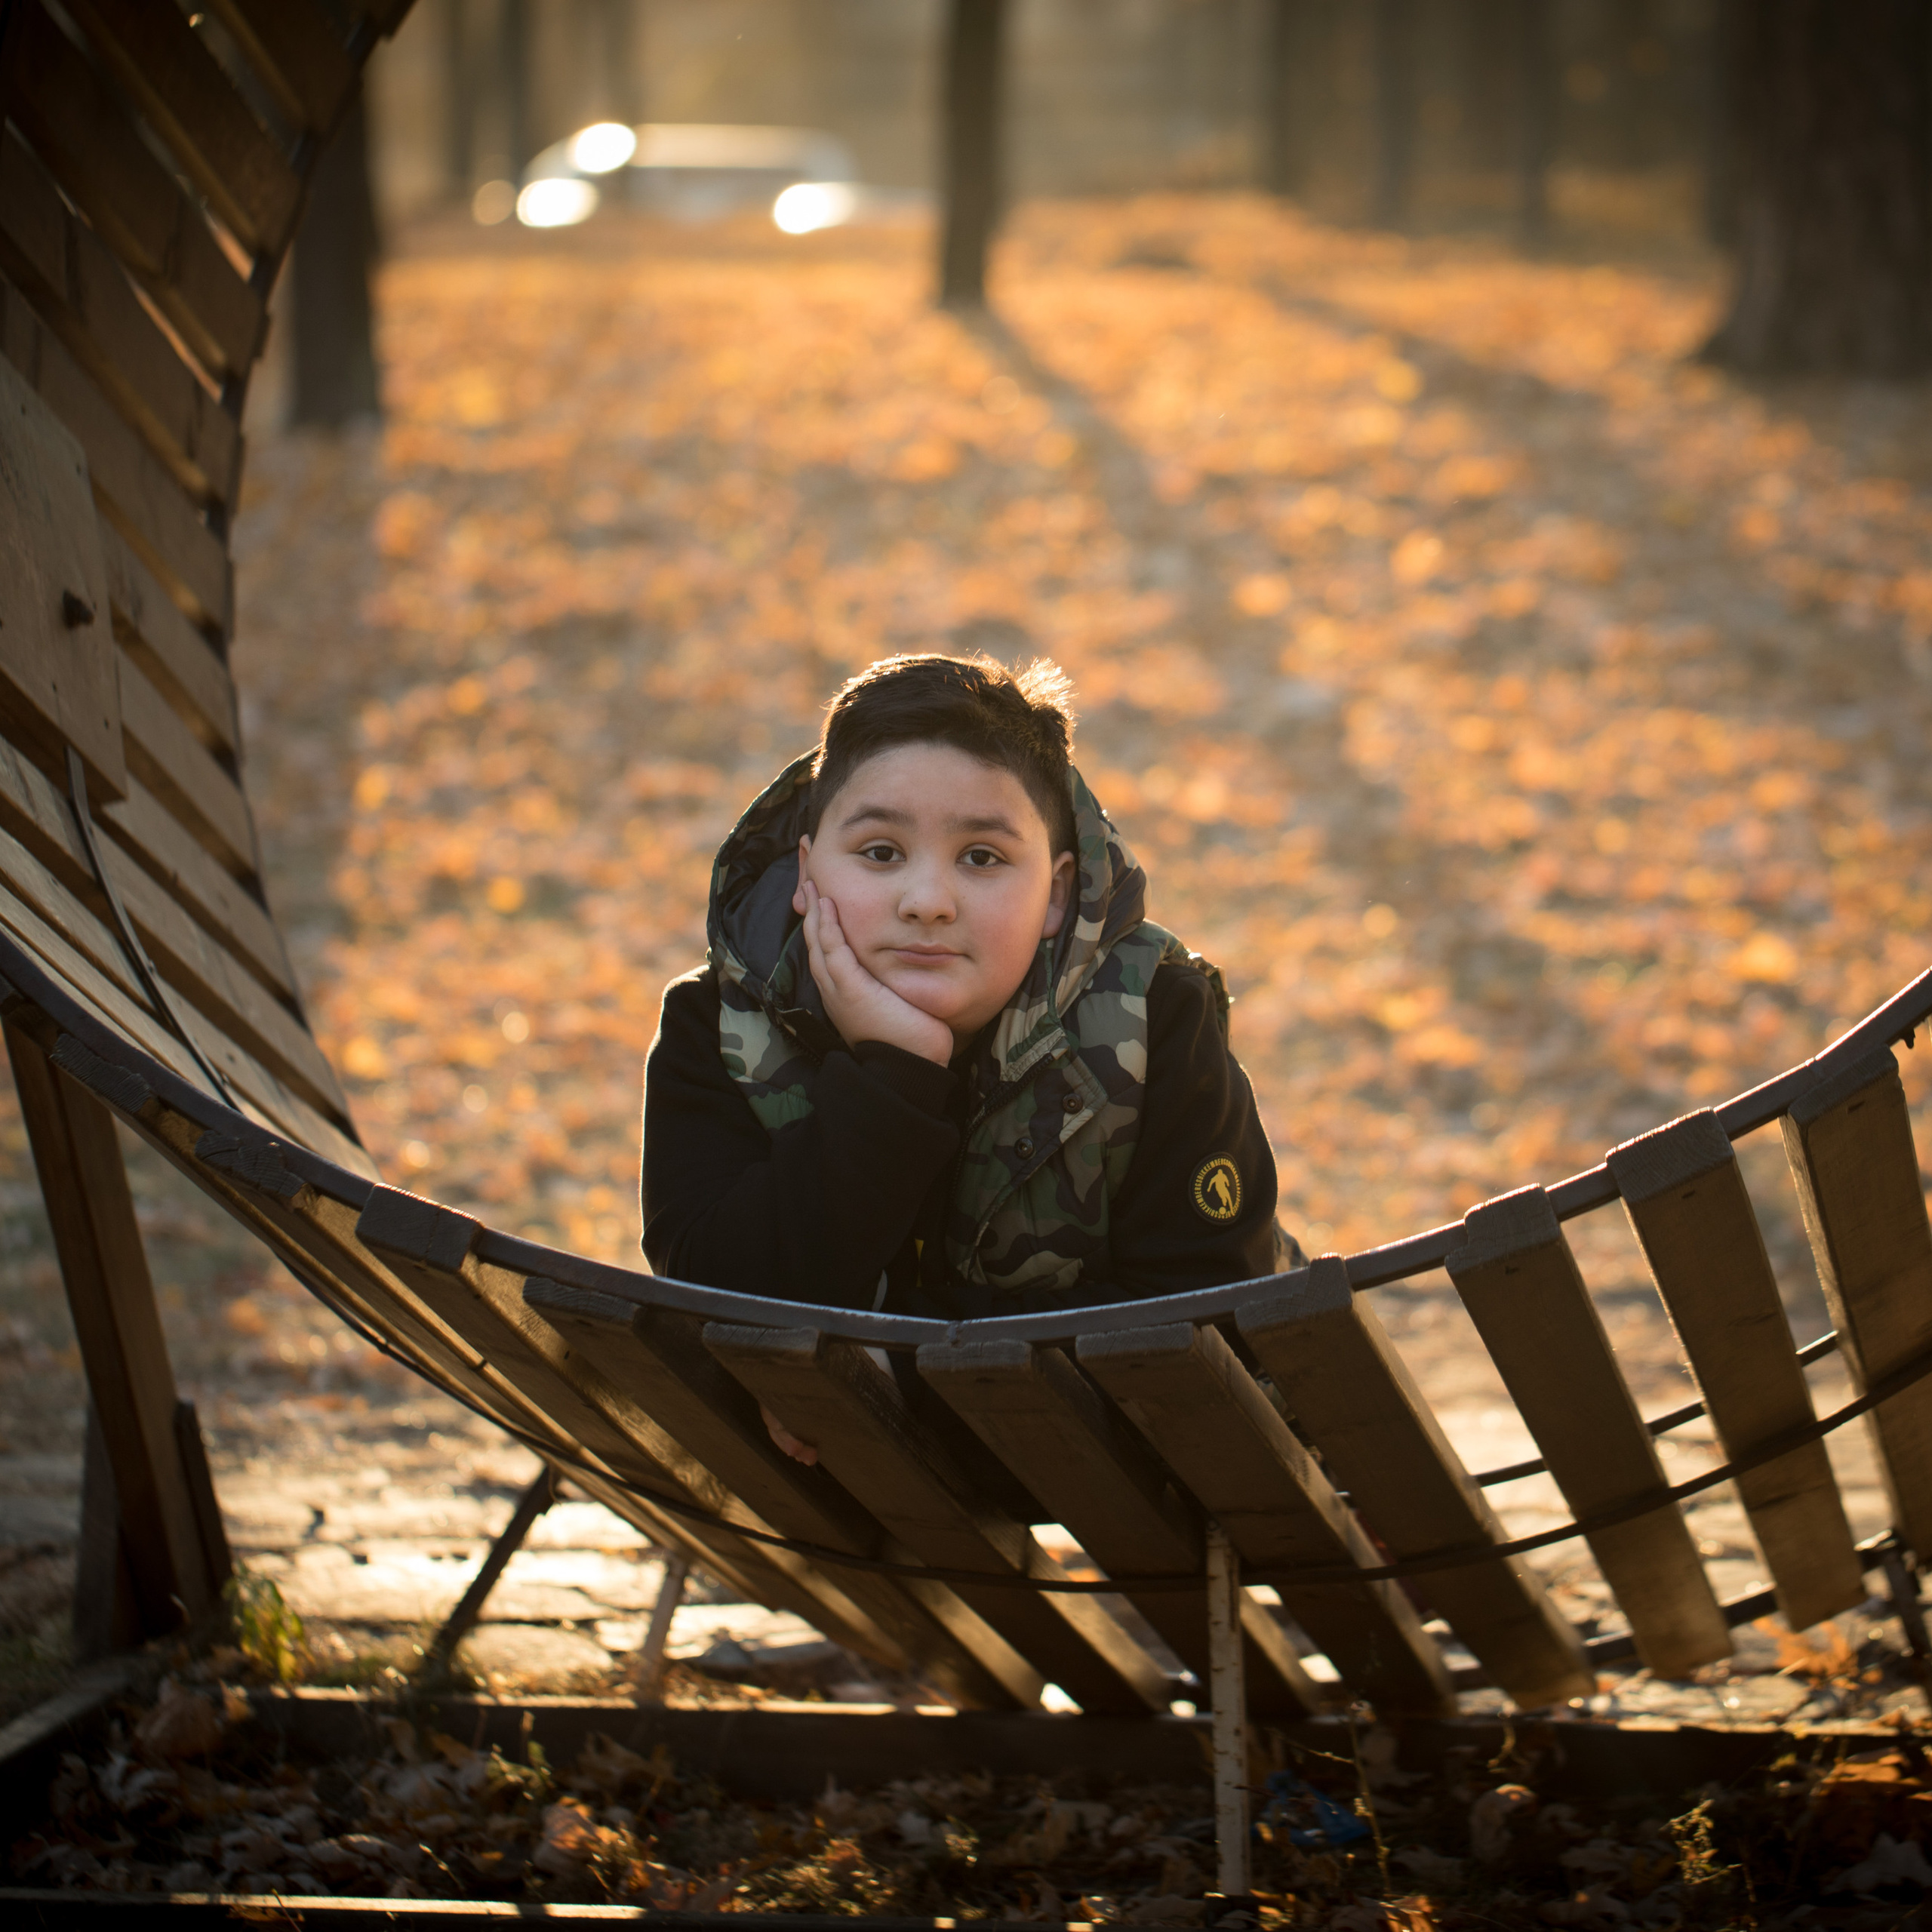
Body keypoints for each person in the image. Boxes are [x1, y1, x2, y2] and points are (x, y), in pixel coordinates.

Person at [641, 652, 1295, 1398]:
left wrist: (894, 1366)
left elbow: (1206, 1315)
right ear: (808, 871)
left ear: (1056, 894)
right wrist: (898, 1075)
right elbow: (712, 1298)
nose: (927, 900)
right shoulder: (716, 1025)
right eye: (880, 852)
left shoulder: (1155, 1017)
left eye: (981, 857)